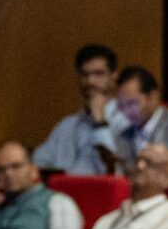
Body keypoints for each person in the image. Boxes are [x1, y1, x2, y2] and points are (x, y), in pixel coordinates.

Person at [35, 44, 130, 174]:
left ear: (113, 77)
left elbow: (117, 169)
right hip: (64, 191)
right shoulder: (67, 125)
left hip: (104, 192)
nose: (90, 81)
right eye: (85, 74)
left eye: (99, 74)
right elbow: (36, 163)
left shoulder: (126, 121)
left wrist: (100, 122)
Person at [113, 65, 168, 176]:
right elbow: (120, 179)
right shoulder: (124, 135)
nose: (126, 112)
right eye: (122, 106)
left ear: (153, 97)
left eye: (132, 103)